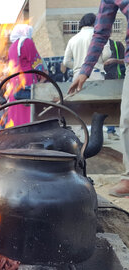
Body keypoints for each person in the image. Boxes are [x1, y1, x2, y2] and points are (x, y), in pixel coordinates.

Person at [68, 0, 129, 198]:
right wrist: (84, 71)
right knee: (127, 120)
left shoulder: (73, 40)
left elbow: (65, 63)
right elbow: (102, 32)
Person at [5, 24, 47, 126]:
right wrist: (43, 74)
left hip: (14, 83)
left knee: (17, 112)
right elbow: (36, 62)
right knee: (29, 111)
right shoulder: (26, 42)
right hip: (27, 81)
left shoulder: (12, 47)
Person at [63, 13, 111, 82]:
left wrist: (79, 66)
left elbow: (66, 62)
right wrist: (98, 62)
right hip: (95, 73)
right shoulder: (101, 35)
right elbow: (107, 54)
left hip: (78, 75)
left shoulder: (72, 39)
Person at [103, 39, 126, 140]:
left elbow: (125, 60)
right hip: (103, 80)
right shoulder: (97, 45)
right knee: (108, 107)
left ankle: (113, 131)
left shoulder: (117, 45)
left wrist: (114, 60)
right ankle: (110, 131)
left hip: (117, 80)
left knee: (120, 106)